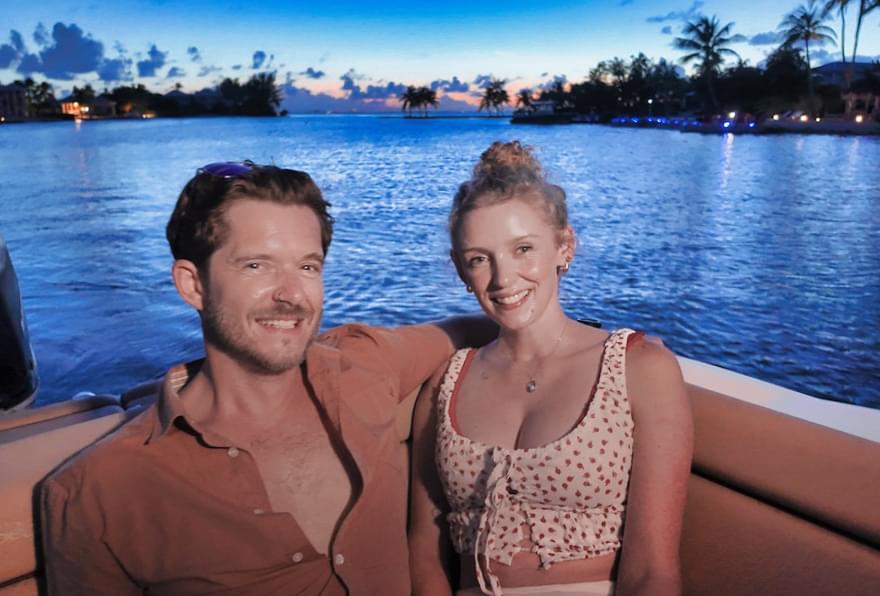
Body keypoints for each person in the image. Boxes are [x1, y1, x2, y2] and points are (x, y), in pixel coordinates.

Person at [40, 161, 493, 595]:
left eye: (307, 266)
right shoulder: (99, 491)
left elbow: (475, 327)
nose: (291, 295)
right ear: (192, 284)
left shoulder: (363, 363)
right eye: (256, 265)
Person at [408, 142, 693, 596]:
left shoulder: (639, 370)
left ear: (565, 247)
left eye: (523, 249)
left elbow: (652, 574)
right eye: (480, 259)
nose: (503, 279)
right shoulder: (444, 384)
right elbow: (426, 559)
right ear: (462, 271)